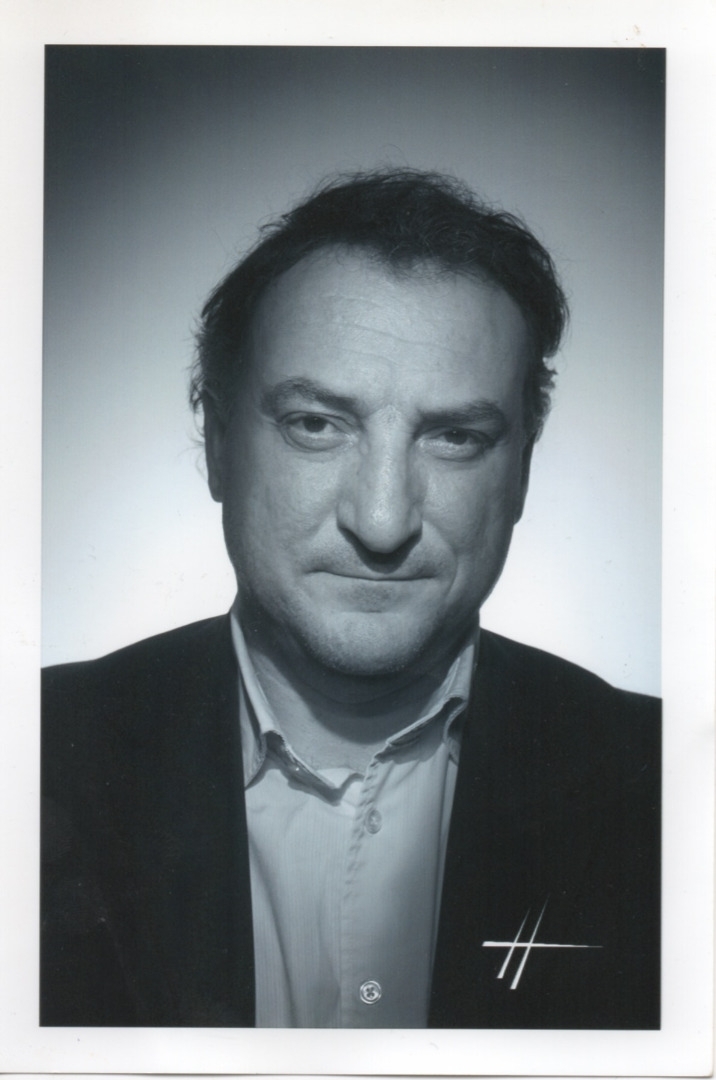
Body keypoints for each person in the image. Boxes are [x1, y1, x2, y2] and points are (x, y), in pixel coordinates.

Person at [41, 169, 660, 1029]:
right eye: (317, 425)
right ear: (217, 441)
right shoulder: (29, 756)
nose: (381, 520)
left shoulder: (671, 791)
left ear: (522, 467)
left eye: (455, 437)